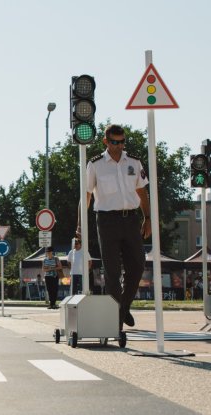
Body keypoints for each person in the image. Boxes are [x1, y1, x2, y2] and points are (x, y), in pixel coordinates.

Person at [78, 124, 151, 330]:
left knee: (137, 265)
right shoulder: (96, 164)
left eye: (121, 142)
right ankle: (115, 322)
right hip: (107, 221)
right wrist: (80, 227)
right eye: (114, 142)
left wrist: (148, 218)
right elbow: (86, 196)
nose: (118, 146)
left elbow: (142, 192)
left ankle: (123, 308)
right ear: (105, 142)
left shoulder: (134, 163)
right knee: (111, 272)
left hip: (131, 220)